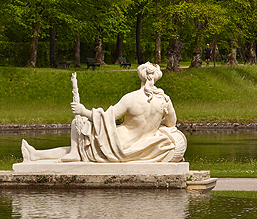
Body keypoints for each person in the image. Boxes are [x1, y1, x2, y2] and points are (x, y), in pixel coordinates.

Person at [21, 62, 187, 164]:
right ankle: (35, 155)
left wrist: (83, 111)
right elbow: (172, 124)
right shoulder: (165, 100)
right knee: (83, 148)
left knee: (80, 126)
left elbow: (108, 117)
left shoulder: (131, 98)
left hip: (118, 143)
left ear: (141, 77)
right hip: (140, 146)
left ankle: (67, 154)